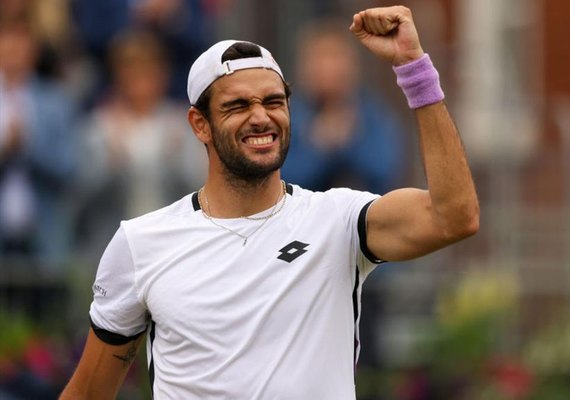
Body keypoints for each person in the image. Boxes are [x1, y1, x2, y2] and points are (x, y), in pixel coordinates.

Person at [61, 6, 479, 399]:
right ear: (199, 124)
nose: (261, 116)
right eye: (238, 105)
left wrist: (414, 68)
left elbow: (454, 216)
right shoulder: (140, 243)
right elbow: (87, 392)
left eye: (274, 102)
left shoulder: (338, 219)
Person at [75, 29, 207, 260]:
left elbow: (202, 190)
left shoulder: (182, 124)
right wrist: (111, 164)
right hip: (113, 249)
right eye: (131, 71)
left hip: (173, 249)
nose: (140, 81)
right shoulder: (98, 126)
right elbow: (80, 198)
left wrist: (174, 159)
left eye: (148, 72)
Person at [282, 19, 406, 194]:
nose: (328, 69)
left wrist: (348, 141)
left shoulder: (373, 115)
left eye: (335, 58)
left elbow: (385, 172)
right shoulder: (287, 116)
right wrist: (320, 146)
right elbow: (282, 180)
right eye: (320, 59)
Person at [0, 17, 77, 269]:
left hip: (43, 232)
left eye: (20, 45)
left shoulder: (54, 101)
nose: (13, 53)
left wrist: (27, 148)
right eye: (7, 44)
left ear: (33, 52)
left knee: (44, 304)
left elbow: (69, 167)